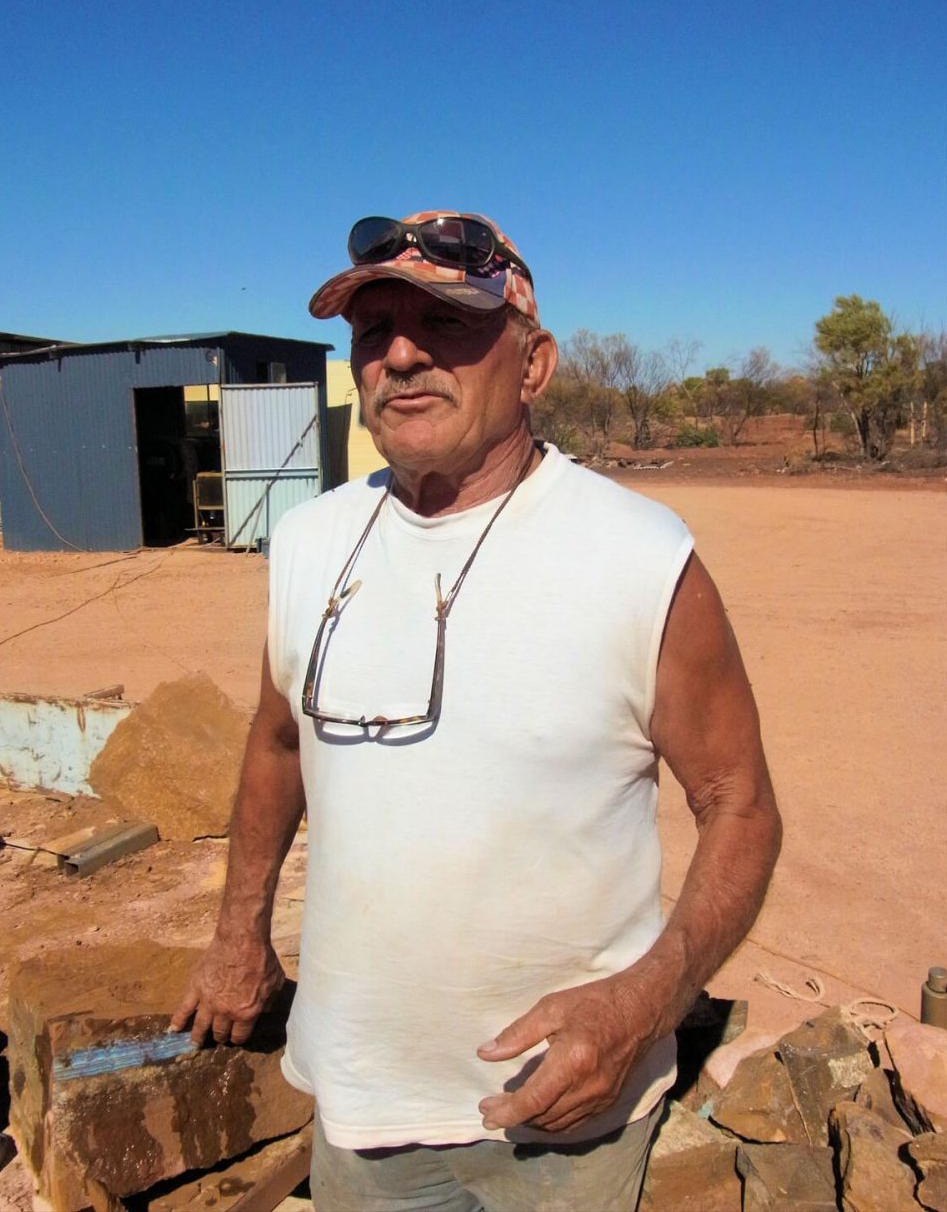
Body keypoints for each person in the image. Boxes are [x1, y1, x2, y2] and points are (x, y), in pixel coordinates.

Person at [173, 211, 782, 1211]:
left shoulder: (638, 557)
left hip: (566, 1124)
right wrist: (238, 933)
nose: (401, 354)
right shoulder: (311, 542)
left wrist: (650, 999)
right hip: (359, 1106)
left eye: (447, 323)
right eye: (374, 330)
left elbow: (739, 801)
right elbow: (278, 740)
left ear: (532, 364)